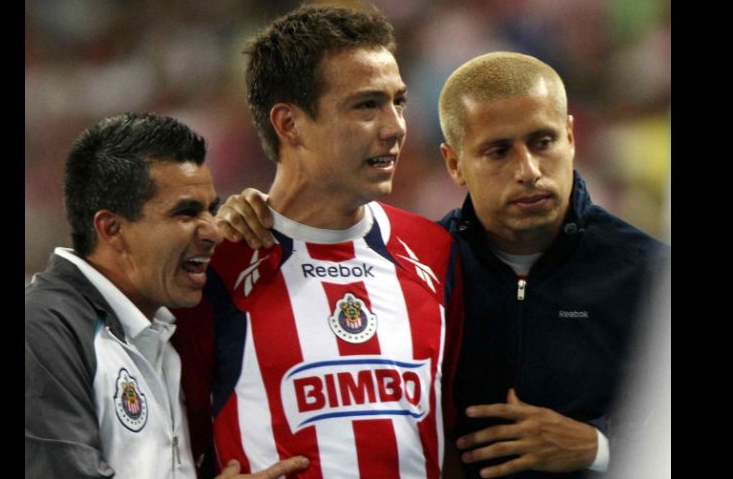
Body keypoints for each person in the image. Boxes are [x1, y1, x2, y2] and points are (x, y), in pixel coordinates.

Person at [215, 51, 670, 478]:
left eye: (543, 141)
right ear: (454, 164)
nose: (528, 169)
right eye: (498, 151)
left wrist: (597, 445)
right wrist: (258, 214)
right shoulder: (420, 263)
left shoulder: (650, 274)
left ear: (570, 137)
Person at [171, 5, 463, 479]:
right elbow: (151, 440)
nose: (395, 127)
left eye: (399, 101)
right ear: (288, 124)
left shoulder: (435, 252)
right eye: (367, 105)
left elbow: (458, 436)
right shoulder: (213, 266)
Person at [24, 113, 309, 479]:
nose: (213, 232)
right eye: (186, 213)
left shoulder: (155, 330)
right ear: (112, 229)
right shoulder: (44, 329)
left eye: (212, 209)